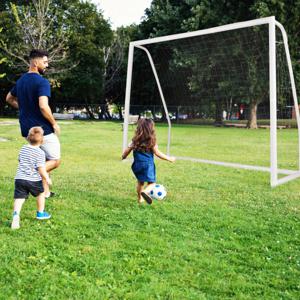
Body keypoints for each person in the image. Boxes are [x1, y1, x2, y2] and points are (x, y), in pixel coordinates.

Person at [6, 49, 61, 198]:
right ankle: (32, 174)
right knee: (54, 160)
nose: (47, 65)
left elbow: (9, 98)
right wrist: (54, 124)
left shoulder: (21, 81)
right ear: (36, 63)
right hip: (43, 130)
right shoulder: (42, 82)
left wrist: (24, 107)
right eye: (45, 62)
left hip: (27, 130)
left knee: (42, 158)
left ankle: (46, 192)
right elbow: (43, 106)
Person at [122, 118, 175, 204]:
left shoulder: (135, 140)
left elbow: (127, 151)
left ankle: (140, 199)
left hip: (137, 165)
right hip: (148, 165)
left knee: (140, 182)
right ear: (151, 129)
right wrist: (169, 159)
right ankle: (146, 192)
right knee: (152, 183)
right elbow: (157, 153)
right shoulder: (151, 141)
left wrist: (123, 156)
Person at [11, 127, 52, 229]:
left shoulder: (23, 148)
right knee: (41, 193)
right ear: (42, 140)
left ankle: (16, 214)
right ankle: (40, 213)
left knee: (19, 198)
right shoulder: (40, 153)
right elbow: (41, 168)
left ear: (28, 138)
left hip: (20, 178)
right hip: (33, 180)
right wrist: (47, 178)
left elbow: (20, 160)